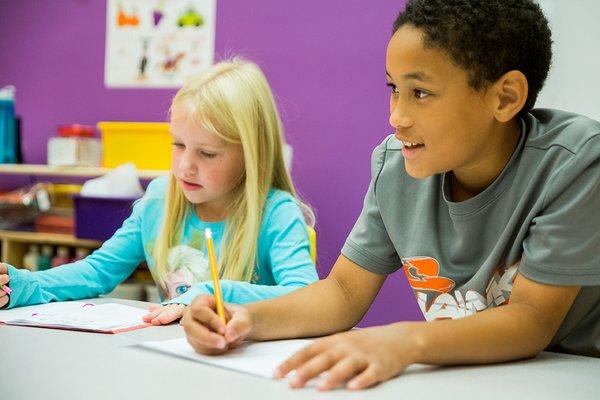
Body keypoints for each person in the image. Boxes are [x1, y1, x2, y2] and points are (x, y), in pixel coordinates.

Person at [180, 0, 600, 391]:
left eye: (420, 93)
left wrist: (403, 341)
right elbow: (342, 292)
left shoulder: (574, 163)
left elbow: (530, 321)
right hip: (469, 380)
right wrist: (247, 319)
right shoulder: (394, 166)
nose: (395, 116)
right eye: (393, 88)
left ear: (505, 97)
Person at [0, 59, 319, 326]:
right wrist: (25, 284)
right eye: (178, 145)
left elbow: (307, 297)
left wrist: (212, 294)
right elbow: (98, 272)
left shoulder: (277, 213)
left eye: (207, 153)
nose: (184, 168)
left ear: (252, 155)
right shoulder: (158, 200)